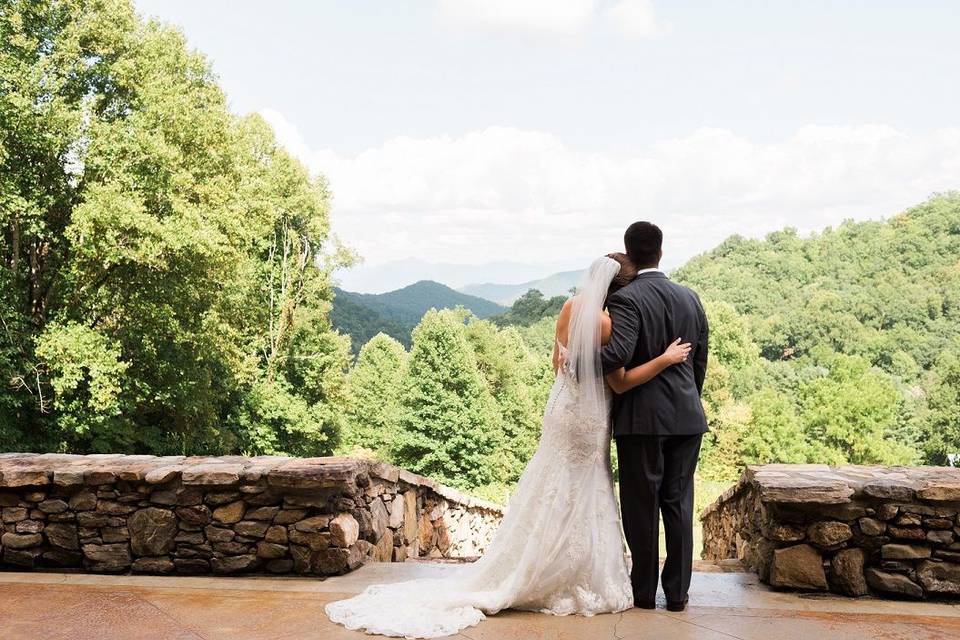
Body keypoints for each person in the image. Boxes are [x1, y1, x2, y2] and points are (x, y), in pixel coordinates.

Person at [325, 253, 692, 638]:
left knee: (552, 480)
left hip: (563, 408)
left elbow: (557, 362)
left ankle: (533, 563)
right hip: (592, 416)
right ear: (619, 290)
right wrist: (665, 359)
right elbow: (618, 383)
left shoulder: (569, 307)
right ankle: (571, 573)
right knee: (586, 486)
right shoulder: (608, 323)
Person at [601, 222, 710, 612]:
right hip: (687, 418)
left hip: (641, 421)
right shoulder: (690, 297)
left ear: (629, 253)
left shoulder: (626, 299)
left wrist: (575, 359)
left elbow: (616, 356)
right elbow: (699, 361)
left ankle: (644, 594)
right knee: (679, 504)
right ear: (661, 252)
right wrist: (686, 401)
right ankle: (678, 595)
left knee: (642, 507)